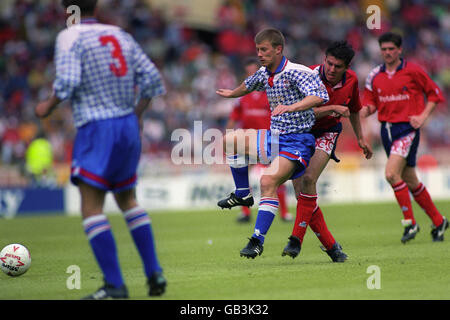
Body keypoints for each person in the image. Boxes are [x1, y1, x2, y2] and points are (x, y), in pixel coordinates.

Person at [35, 0, 166, 299]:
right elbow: (153, 79)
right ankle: (154, 272)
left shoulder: (70, 36)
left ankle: (115, 286)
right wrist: (138, 115)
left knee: (91, 206)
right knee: (128, 200)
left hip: (96, 127)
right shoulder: (120, 34)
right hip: (127, 125)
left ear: (67, 10)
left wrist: (46, 105)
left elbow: (67, 81)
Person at [216, 28, 348, 259]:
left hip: (297, 141)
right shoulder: (264, 72)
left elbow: (319, 96)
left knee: (268, 181)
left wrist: (291, 107)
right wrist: (231, 94)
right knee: (229, 141)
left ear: (278, 49)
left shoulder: (298, 72)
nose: (259, 54)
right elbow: (248, 84)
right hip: (273, 137)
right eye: (257, 49)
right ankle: (243, 194)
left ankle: (257, 240)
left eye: (264, 49)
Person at [282, 41, 373, 261]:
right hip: (302, 132)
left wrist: (360, 137)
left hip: (328, 133)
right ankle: (332, 247)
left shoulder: (351, 80)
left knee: (309, 179)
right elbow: (305, 112)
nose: (332, 70)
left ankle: (296, 239)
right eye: (329, 64)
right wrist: (332, 108)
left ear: (346, 67)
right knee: (301, 193)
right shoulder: (310, 76)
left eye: (338, 66)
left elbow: (354, 109)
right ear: (324, 59)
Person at [361, 32, 448, 243]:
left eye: (392, 49)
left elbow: (436, 94)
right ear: (380, 51)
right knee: (410, 180)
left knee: (391, 174)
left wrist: (422, 116)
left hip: (407, 130)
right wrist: (357, 113)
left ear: (400, 50)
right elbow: (370, 104)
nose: (388, 53)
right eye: (384, 49)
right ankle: (438, 221)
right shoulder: (374, 76)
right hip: (387, 131)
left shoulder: (414, 71)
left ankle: (410, 222)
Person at [226, 57, 292, 223]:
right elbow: (234, 117)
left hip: (268, 140)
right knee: (242, 175)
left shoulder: (271, 93)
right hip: (248, 141)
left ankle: (284, 213)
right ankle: (245, 212)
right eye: (248, 73)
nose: (250, 76)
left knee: (276, 175)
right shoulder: (242, 98)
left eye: (253, 72)